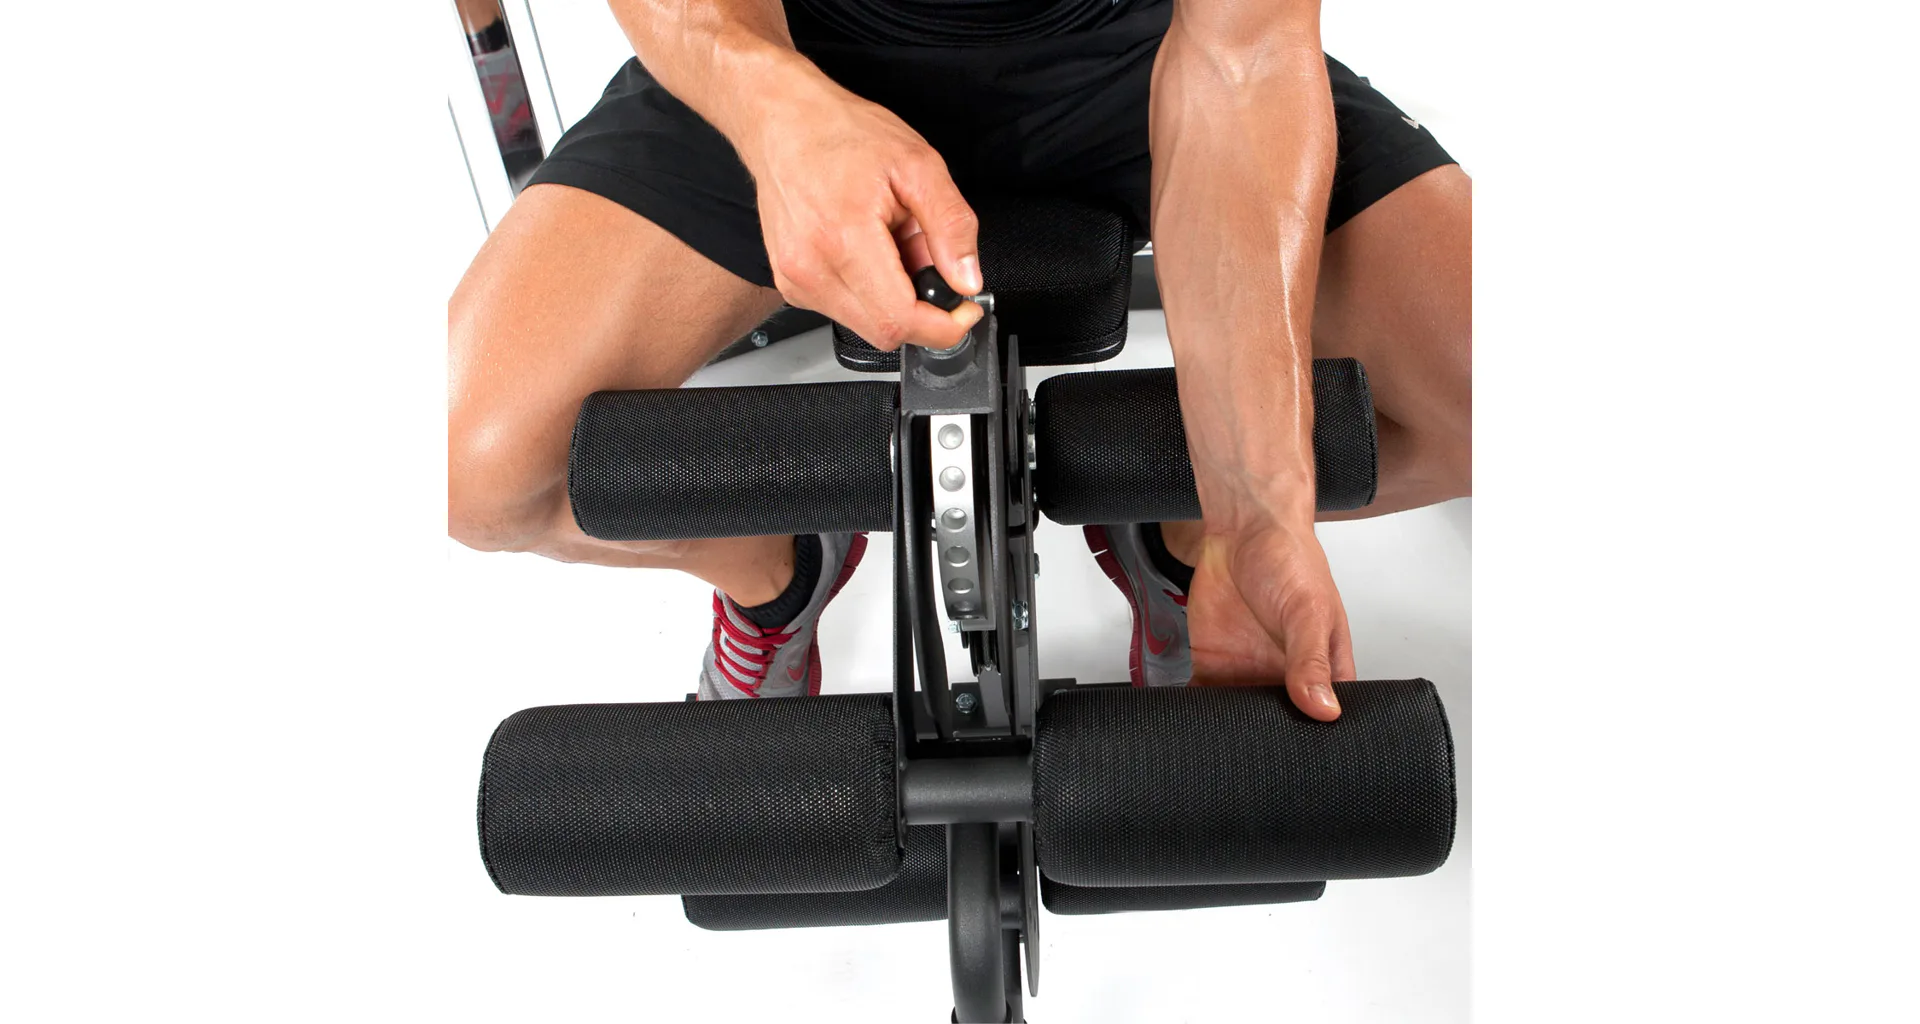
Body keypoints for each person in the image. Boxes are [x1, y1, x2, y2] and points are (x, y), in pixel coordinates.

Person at [447, 0, 1471, 720]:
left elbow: (1243, 54)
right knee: (468, 470)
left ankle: (1178, 530)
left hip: (1142, 53)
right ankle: (775, 575)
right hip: (793, 53)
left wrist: (1251, 505)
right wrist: (777, 113)